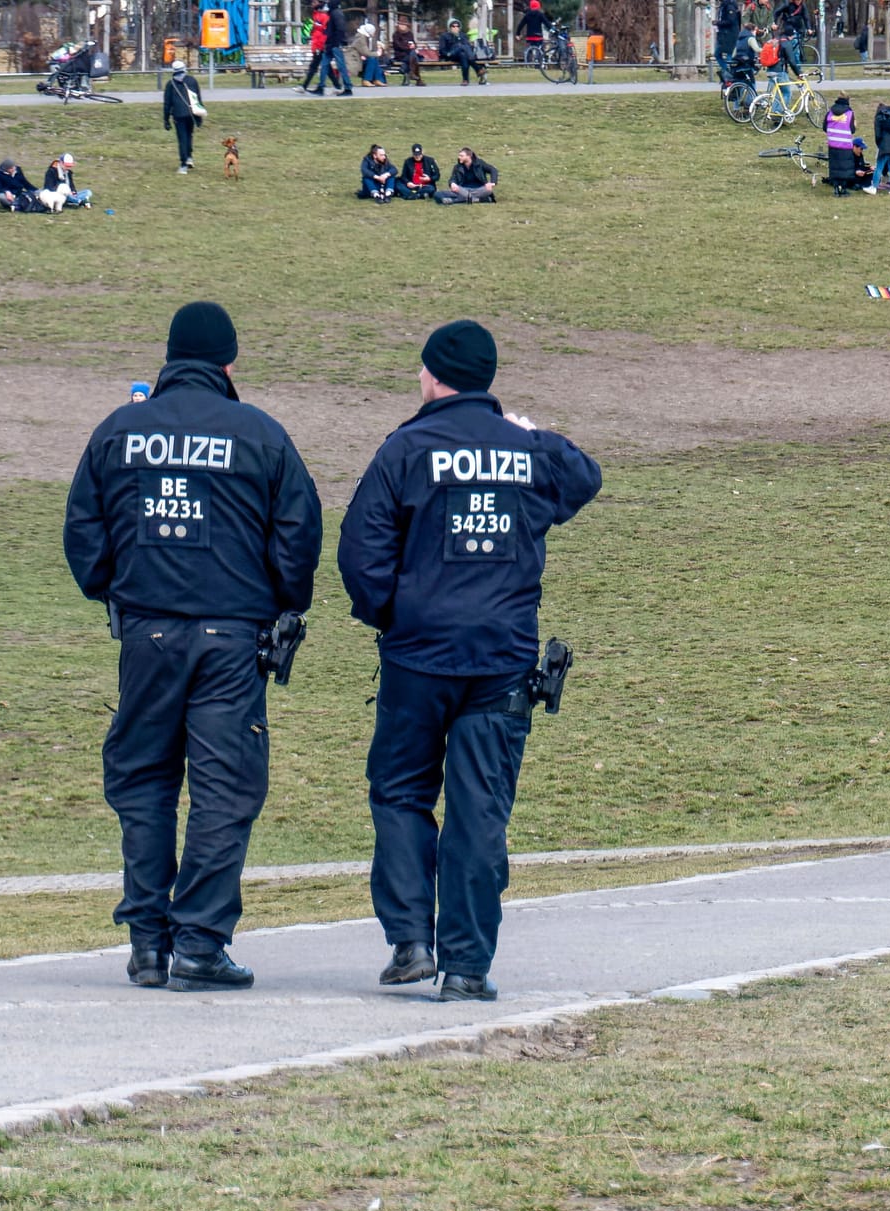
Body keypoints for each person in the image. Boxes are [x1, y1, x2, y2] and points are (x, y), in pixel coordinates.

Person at [337, 320, 602, 1002]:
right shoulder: (526, 451)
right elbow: (584, 476)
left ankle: (410, 941)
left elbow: (359, 556)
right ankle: (466, 965)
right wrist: (527, 430)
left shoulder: (405, 448)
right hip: (501, 659)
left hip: (418, 656)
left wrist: (395, 615)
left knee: (400, 792)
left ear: (431, 376)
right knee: (479, 812)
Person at [62, 301, 322, 991]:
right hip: (231, 641)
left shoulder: (119, 429)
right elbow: (298, 535)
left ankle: (148, 943)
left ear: (170, 357)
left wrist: (117, 589)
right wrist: (280, 603)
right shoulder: (260, 434)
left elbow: (82, 532)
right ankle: (201, 941)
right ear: (228, 363)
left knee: (145, 782)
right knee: (223, 789)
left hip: (144, 634)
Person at [162, 61, 203, 175]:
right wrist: (199, 117)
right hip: (192, 113)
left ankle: (183, 164)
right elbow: (198, 98)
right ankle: (189, 157)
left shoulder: (170, 84)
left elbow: (167, 104)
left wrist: (166, 120)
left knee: (182, 138)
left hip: (178, 115)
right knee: (189, 135)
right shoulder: (192, 80)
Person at [824, 96, 858, 197]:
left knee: (834, 167)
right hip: (845, 145)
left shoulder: (829, 113)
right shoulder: (849, 114)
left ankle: (835, 189)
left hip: (833, 145)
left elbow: (824, 127)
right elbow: (852, 129)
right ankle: (843, 189)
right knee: (845, 168)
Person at [301, 0, 336, 92]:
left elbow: (325, 32)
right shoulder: (316, 15)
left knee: (314, 66)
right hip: (316, 44)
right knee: (327, 67)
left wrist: (322, 45)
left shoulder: (324, 17)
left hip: (320, 45)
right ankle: (337, 86)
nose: (312, 4)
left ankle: (304, 86)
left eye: (314, 3)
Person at [324, 0, 354, 94]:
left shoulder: (336, 13)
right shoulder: (334, 13)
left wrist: (335, 42)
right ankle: (322, 86)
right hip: (333, 43)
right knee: (326, 64)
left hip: (335, 43)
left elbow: (339, 29)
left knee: (340, 66)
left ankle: (347, 87)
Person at [715, 0, 742, 77]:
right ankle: (727, 70)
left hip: (730, 34)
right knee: (719, 53)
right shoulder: (724, 6)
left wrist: (718, 23)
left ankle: (728, 72)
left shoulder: (730, 7)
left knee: (728, 54)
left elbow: (731, 20)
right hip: (725, 33)